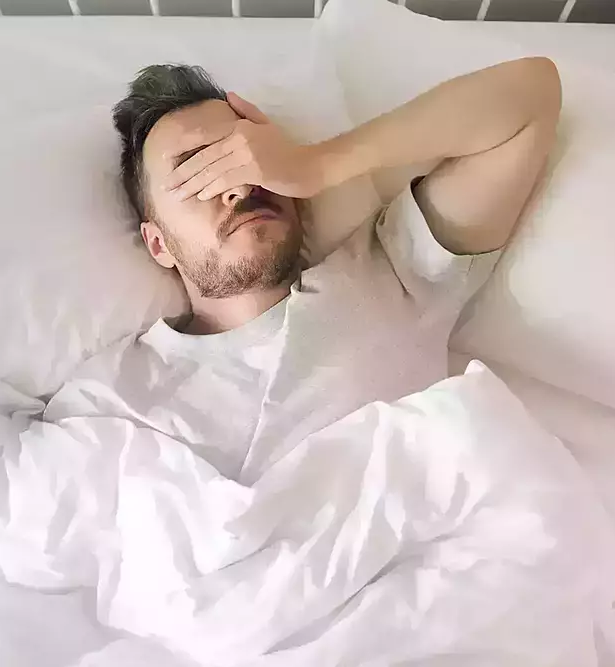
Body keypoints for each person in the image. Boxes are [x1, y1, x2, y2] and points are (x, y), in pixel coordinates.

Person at [44, 59, 562, 481]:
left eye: (243, 158)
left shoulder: (391, 277)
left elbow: (530, 95)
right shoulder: (109, 395)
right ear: (159, 244)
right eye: (197, 174)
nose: (237, 185)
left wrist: (317, 164)